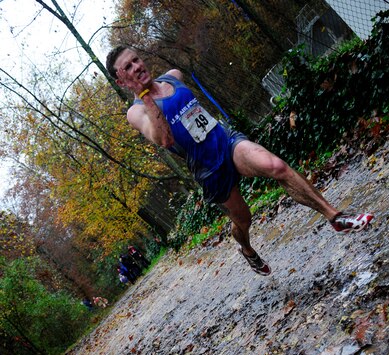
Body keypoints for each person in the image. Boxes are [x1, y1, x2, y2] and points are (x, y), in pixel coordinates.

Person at [105, 46, 374, 276]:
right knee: (243, 218)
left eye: (136, 59)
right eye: (128, 67)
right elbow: (164, 140)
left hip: (228, 142)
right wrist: (143, 95)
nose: (137, 66)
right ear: (121, 81)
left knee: (276, 167)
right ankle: (246, 248)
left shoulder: (173, 78)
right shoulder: (137, 111)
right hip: (209, 170)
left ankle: (335, 216)